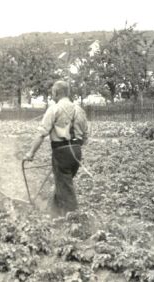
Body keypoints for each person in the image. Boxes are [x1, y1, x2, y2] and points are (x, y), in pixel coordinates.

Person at [23, 80, 89, 217]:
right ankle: (53, 215)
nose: (52, 94)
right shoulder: (79, 110)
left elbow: (42, 134)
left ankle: (76, 221)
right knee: (62, 184)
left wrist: (30, 153)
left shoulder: (54, 109)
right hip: (76, 152)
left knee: (65, 187)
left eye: (52, 92)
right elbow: (86, 135)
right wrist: (73, 148)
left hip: (61, 153)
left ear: (56, 93)